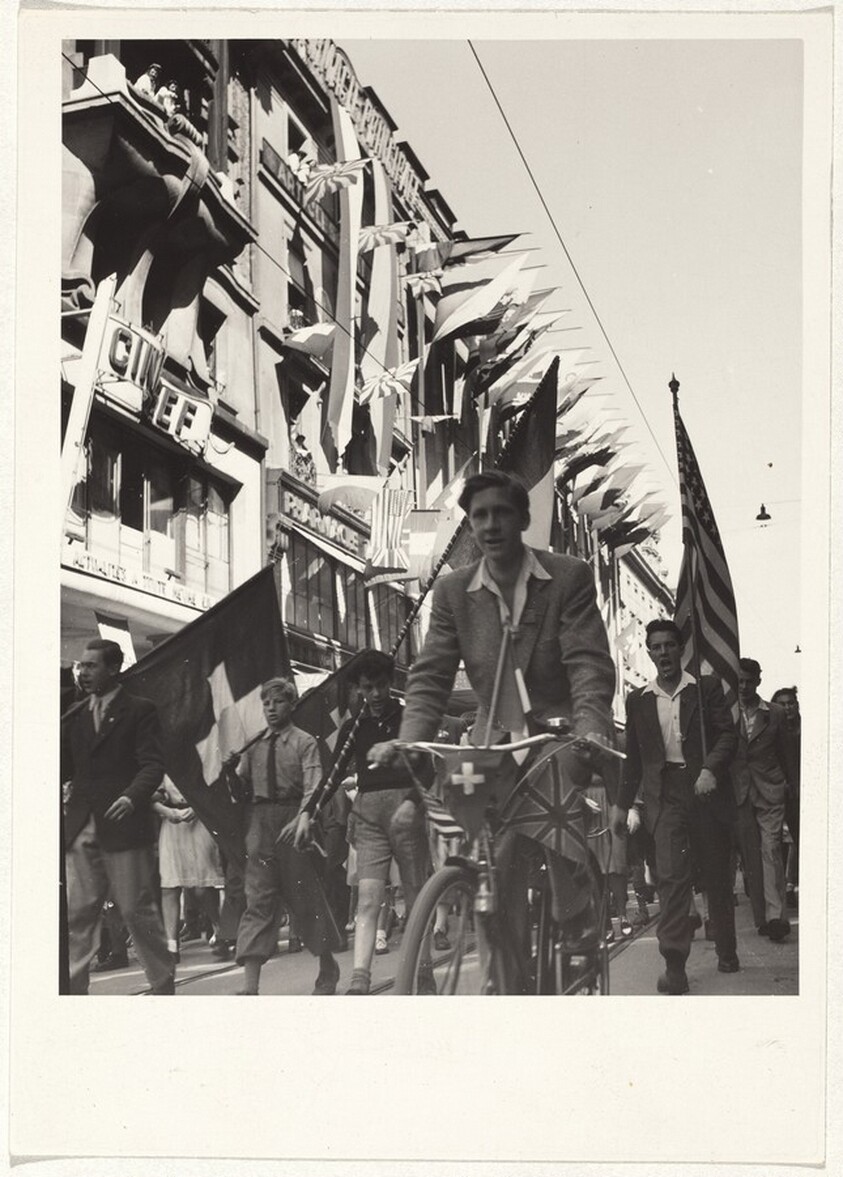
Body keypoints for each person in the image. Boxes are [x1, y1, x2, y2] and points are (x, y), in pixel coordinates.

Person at [370, 470, 617, 993]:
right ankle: (505, 972)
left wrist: (591, 727)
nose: (490, 525)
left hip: (554, 730)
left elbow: (587, 663)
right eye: (479, 516)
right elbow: (430, 675)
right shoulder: (453, 591)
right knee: (488, 861)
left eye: (501, 513)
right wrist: (411, 737)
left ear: (523, 519)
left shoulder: (568, 576)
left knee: (555, 792)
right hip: (493, 736)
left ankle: (576, 920)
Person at [617, 619, 739, 994]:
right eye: (656, 647)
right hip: (665, 795)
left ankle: (727, 950)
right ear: (650, 653)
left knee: (716, 874)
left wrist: (710, 768)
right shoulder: (639, 699)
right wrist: (622, 806)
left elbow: (728, 734)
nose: (664, 652)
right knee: (671, 878)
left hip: (704, 789)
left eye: (670, 645)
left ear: (681, 649)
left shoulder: (704, 688)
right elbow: (633, 758)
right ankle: (674, 966)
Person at [311, 650, 432, 995]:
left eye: (381, 685)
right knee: (367, 899)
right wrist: (309, 810)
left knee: (416, 897)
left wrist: (412, 802)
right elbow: (333, 775)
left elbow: (427, 770)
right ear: (358, 688)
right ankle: (359, 980)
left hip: (406, 813)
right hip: (368, 817)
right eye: (368, 687)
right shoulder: (353, 728)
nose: (376, 694)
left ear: (391, 682)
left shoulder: (408, 719)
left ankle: (424, 975)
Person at [62, 639, 175, 995]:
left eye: (91, 665)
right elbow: (63, 765)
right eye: (81, 666)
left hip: (124, 827)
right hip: (81, 825)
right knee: (78, 913)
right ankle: (72, 989)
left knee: (135, 910)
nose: (83, 672)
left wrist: (132, 796)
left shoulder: (140, 710)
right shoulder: (75, 715)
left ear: (113, 669)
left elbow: (152, 764)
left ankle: (162, 982)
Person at [224, 678, 342, 995]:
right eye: (266, 703)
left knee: (305, 899)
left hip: (295, 823)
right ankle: (250, 987)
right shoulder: (254, 745)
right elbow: (241, 792)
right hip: (259, 824)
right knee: (258, 900)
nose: (271, 709)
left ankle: (327, 966)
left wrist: (304, 817)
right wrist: (230, 771)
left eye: (278, 702)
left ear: (292, 704)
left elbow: (314, 785)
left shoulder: (304, 742)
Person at [732, 659, 793, 941]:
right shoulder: (727, 712)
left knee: (771, 849)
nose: (744, 686)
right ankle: (762, 918)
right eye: (739, 681)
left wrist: (792, 783)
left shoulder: (775, 713)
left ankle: (776, 917)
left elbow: (786, 752)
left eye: (749, 681)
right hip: (740, 791)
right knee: (751, 856)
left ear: (758, 681)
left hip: (770, 788)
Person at [152, 776, 225, 961]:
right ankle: (172, 945)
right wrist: (166, 811)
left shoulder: (199, 759)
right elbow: (150, 794)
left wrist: (197, 808)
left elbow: (214, 786)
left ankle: (220, 929)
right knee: (169, 885)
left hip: (200, 820)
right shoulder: (160, 765)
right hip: (171, 823)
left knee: (203, 885)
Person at [771, 686, 801, 906]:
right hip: (776, 792)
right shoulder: (771, 731)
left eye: (791, 703)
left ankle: (793, 885)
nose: (787, 708)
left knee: (799, 839)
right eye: (782, 704)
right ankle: (783, 889)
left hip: (799, 793)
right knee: (778, 843)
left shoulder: (805, 729)